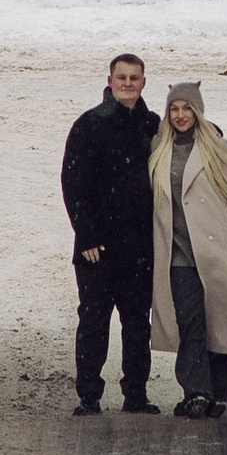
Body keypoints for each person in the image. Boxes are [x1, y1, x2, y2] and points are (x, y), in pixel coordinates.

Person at [61, 49, 161, 417]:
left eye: (134, 78)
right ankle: (89, 395)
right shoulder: (89, 124)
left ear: (144, 83)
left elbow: (187, 141)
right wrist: (85, 236)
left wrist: (211, 131)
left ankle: (135, 394)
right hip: (96, 248)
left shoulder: (153, 125)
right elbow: (73, 183)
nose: (128, 84)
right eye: (122, 77)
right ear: (109, 81)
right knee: (93, 320)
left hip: (139, 246)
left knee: (137, 322)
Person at [149, 84, 227, 420]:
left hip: (216, 252)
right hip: (177, 254)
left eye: (187, 108)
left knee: (220, 325)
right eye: (174, 108)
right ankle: (196, 391)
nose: (181, 115)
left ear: (198, 111)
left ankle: (214, 395)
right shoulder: (159, 147)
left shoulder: (217, 147)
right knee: (190, 324)